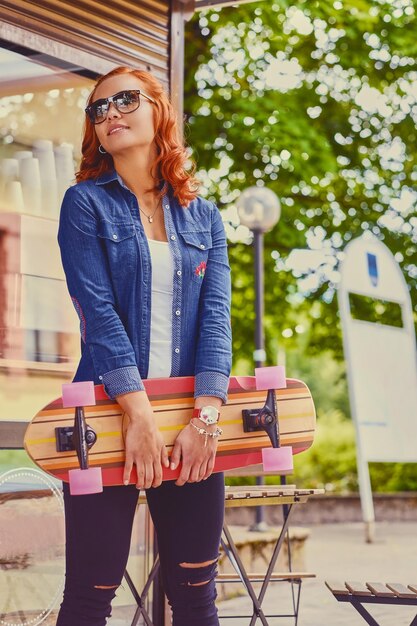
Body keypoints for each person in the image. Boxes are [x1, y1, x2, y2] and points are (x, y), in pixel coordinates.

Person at [56, 66, 232, 626]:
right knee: (90, 595)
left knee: (196, 597)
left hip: (189, 424)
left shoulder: (204, 215)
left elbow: (216, 321)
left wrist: (206, 418)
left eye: (124, 101)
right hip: (106, 420)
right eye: (98, 108)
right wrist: (137, 414)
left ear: (159, 109)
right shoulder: (84, 204)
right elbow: (98, 314)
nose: (109, 114)